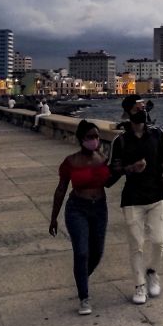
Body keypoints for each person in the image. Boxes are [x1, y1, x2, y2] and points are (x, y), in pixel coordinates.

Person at [106, 95, 163, 305]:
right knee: (136, 245)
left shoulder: (157, 135)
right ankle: (139, 285)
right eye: (138, 108)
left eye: (144, 107)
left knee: (159, 240)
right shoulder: (120, 141)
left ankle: (152, 272)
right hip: (132, 198)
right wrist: (131, 168)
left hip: (158, 193)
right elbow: (110, 173)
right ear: (128, 112)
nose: (143, 111)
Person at [49, 120, 110, 315]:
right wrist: (53, 217)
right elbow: (60, 190)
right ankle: (84, 297)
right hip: (77, 209)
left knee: (97, 252)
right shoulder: (71, 162)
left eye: (97, 137)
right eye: (90, 137)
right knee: (81, 252)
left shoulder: (102, 158)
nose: (94, 141)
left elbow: (110, 180)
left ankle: (81, 277)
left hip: (99, 208)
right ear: (81, 139)